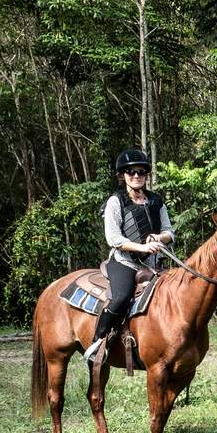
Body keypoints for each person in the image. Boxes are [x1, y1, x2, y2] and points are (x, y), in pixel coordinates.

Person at [83, 148, 174, 365]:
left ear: (146, 175)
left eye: (141, 172)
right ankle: (98, 344)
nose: (136, 176)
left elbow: (170, 232)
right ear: (123, 175)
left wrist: (159, 238)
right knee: (122, 297)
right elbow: (113, 238)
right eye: (131, 172)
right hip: (124, 262)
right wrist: (142, 248)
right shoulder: (116, 201)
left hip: (153, 265)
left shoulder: (156, 201)